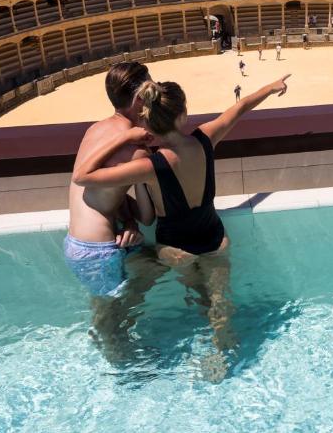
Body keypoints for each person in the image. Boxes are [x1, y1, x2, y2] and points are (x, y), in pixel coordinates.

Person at [73, 74, 291, 377]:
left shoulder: (149, 166)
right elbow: (239, 109)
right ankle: (223, 352)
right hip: (214, 239)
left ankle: (115, 328)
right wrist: (271, 87)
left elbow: (83, 177)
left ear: (147, 122)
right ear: (183, 115)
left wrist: (123, 138)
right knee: (218, 300)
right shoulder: (205, 139)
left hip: (175, 249)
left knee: (177, 282)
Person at [65, 62, 164, 360]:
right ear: (139, 99)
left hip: (80, 245)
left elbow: (112, 189)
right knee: (115, 319)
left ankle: (104, 330)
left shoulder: (96, 129)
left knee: (147, 265)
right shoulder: (134, 147)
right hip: (99, 251)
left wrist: (128, 219)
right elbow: (150, 215)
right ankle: (123, 363)